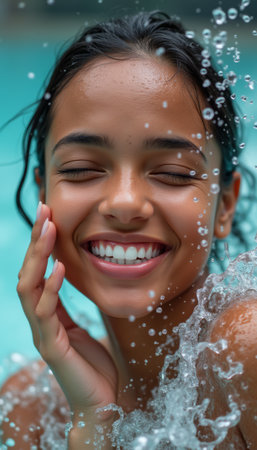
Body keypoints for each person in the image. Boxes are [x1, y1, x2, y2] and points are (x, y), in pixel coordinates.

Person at [1, 10, 257, 449]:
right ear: (43, 191)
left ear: (224, 206)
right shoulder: (29, 407)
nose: (124, 203)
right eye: (82, 169)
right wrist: (93, 426)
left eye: (174, 173)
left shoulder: (245, 354)